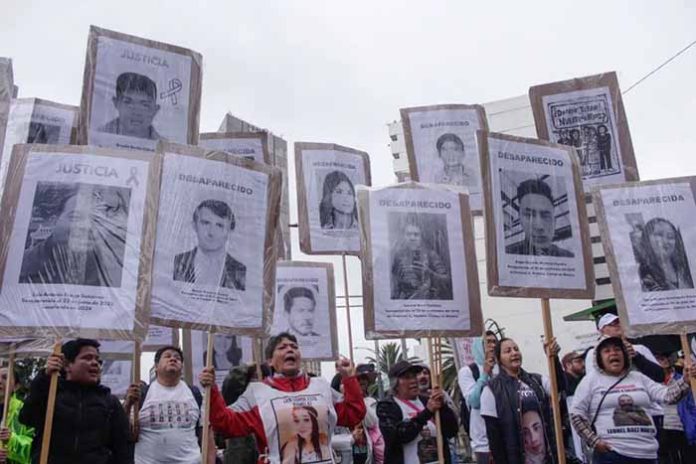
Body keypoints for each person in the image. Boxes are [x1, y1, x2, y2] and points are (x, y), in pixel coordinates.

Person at [199, 332, 365, 464]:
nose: (290, 349)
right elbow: (225, 423)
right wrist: (211, 389)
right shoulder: (258, 393)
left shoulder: (321, 387)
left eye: (294, 346)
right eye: (282, 347)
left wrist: (349, 379)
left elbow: (353, 414)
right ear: (270, 361)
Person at [571, 336, 696, 464]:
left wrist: (685, 380)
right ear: (599, 358)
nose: (613, 353)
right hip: (612, 454)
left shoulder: (639, 378)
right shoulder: (591, 381)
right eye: (607, 351)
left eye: (617, 349)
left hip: (647, 454)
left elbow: (668, 396)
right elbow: (576, 414)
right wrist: (594, 441)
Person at [19, 339, 132, 464]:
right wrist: (44, 377)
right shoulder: (50, 394)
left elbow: (123, 448)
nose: (95, 363)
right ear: (67, 365)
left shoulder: (110, 402)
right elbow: (27, 418)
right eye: (87, 358)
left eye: (97, 360)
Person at [19, 185, 129, 286]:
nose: (87, 226)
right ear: (54, 220)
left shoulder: (113, 270)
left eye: (96, 220)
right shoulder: (21, 266)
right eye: (76, 217)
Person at [480, 337, 565, 464]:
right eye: (508, 351)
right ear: (498, 359)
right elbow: (495, 439)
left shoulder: (537, 381)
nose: (514, 353)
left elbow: (560, 387)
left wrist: (554, 359)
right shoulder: (491, 390)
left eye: (516, 349)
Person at [124, 345, 214, 464]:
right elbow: (126, 432)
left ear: (182, 367)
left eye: (177, 358)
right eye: (167, 356)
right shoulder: (141, 394)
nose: (173, 359)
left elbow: (206, 434)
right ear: (156, 366)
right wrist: (128, 404)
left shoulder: (195, 394)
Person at [377, 360, 459, 464]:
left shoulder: (427, 401)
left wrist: (443, 408)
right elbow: (397, 436)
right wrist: (427, 413)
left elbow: (451, 431)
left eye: (414, 376)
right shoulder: (387, 406)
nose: (413, 381)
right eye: (407, 377)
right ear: (395, 384)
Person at [173, 199, 246, 290]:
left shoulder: (241, 271)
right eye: (205, 223)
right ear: (194, 226)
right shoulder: (176, 263)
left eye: (219, 225)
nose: (211, 232)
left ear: (230, 231)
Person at [505, 178, 574, 258]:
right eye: (529, 215)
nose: (539, 226)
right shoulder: (508, 255)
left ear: (554, 221)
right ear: (520, 219)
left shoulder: (568, 256)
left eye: (545, 216)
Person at [458, 331, 499, 464]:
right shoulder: (468, 371)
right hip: (484, 445)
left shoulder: (502, 369)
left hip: (505, 438)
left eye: (494, 342)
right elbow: (474, 402)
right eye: (487, 342)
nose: (492, 345)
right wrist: (485, 374)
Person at [390, 215, 451, 300]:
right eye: (408, 234)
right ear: (404, 236)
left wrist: (429, 273)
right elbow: (393, 280)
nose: (412, 238)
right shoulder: (398, 255)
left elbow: (446, 280)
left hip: (428, 300)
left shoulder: (431, 255)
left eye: (416, 235)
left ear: (421, 237)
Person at [654, 352, 693, 464]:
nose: (664, 360)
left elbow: (690, 403)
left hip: (680, 426)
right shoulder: (650, 381)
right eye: (659, 358)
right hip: (660, 428)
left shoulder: (682, 378)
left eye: (666, 357)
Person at [99, 72, 163, 140]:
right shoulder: (96, 138)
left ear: (155, 110)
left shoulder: (165, 145)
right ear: (116, 103)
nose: (136, 112)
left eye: (145, 105)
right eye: (128, 102)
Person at [636, 218, 694, 292]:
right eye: (659, 235)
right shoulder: (641, 272)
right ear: (647, 238)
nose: (665, 241)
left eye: (670, 237)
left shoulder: (686, 269)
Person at [0, 367, 34, 464]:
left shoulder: (25, 411)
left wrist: (11, 440)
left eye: (5, 377)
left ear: (16, 386)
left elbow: (35, 450)